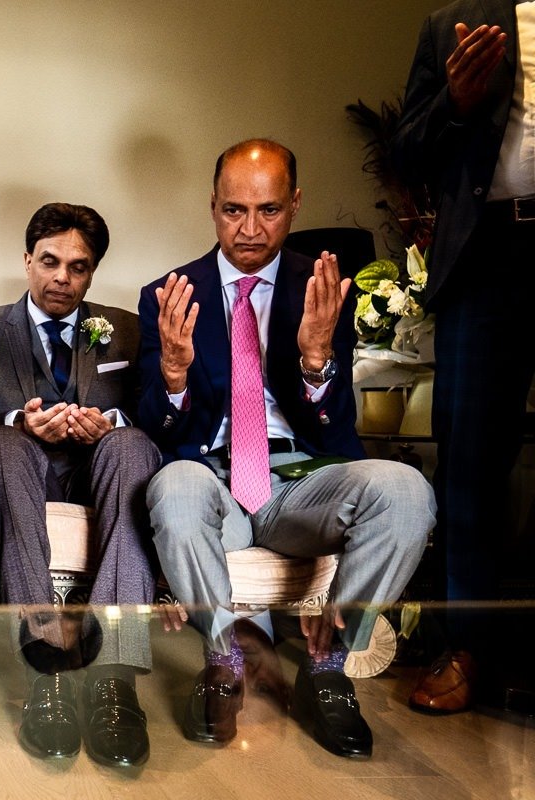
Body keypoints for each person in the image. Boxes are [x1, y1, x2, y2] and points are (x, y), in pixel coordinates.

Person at [138, 139, 434, 758]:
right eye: (232, 210)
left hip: (301, 479)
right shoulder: (167, 293)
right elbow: (157, 433)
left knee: (408, 492)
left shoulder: (322, 286)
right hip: (211, 475)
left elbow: (332, 429)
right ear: (211, 205)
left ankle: (326, 672)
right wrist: (172, 374)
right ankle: (222, 663)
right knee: (174, 483)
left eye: (268, 210)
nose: (249, 229)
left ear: (295, 204)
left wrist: (316, 359)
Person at [0, 203, 159, 769]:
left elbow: (154, 413)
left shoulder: (127, 330)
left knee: (134, 443)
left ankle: (114, 676)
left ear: (92, 272)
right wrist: (17, 421)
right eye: (49, 261)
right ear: (27, 261)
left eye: (78, 266)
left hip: (101, 473)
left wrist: (112, 425)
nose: (62, 278)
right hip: (17, 474)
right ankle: (44, 665)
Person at [392, 1, 535, 715]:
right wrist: (455, 101)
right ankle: (467, 647)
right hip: (487, 259)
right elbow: (407, 151)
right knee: (471, 459)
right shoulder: (454, 22)